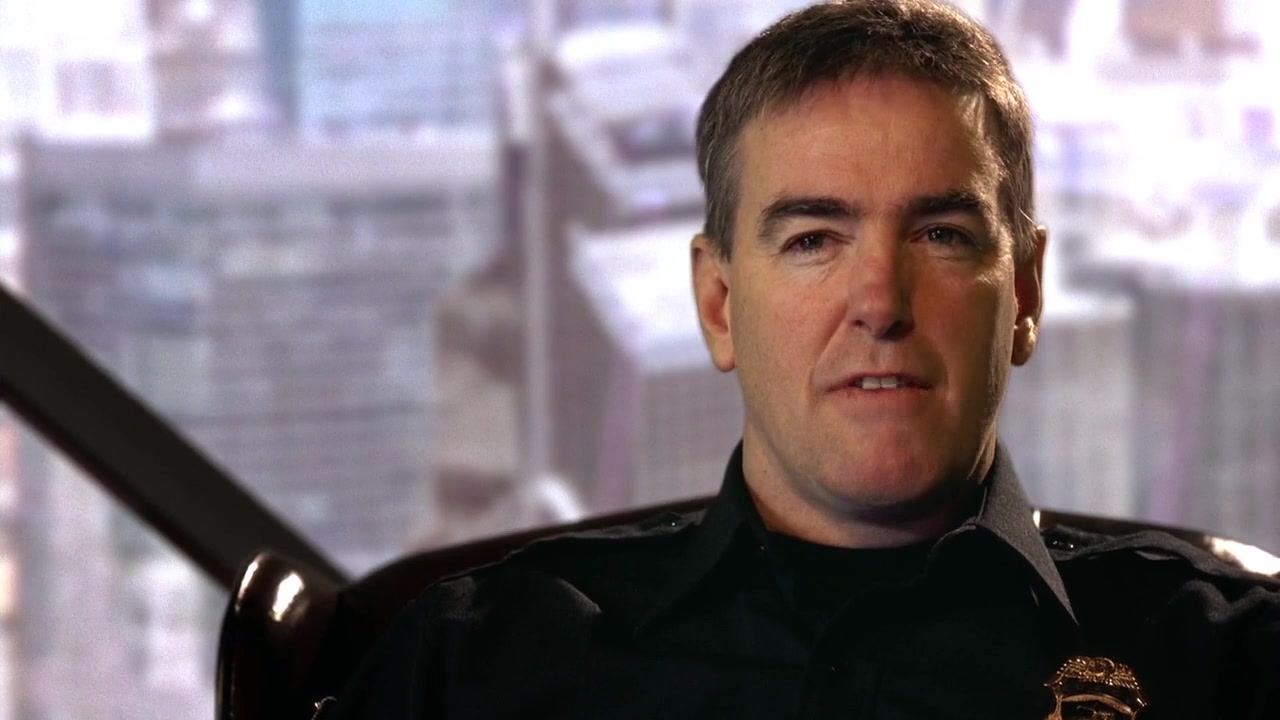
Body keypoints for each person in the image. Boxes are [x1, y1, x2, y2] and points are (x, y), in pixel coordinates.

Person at [316, 1, 1280, 717]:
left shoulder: (1229, 662)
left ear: (1024, 294)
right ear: (719, 305)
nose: (880, 304)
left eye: (941, 235)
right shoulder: (477, 663)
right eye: (814, 239)